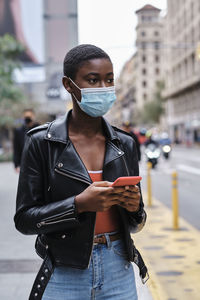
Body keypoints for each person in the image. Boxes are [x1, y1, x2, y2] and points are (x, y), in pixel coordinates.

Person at [14, 44, 148, 300]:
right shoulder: (42, 142)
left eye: (109, 80)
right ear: (68, 84)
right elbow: (24, 219)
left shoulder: (125, 143)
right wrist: (78, 205)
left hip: (118, 267)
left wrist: (134, 208)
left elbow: (136, 223)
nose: (104, 88)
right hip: (65, 269)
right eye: (93, 79)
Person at [13, 108, 39, 173]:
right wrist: (16, 165)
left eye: (29, 116)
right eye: (26, 117)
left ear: (33, 116)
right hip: (24, 163)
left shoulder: (39, 129)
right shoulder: (18, 131)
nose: (27, 118)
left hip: (37, 162)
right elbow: (16, 148)